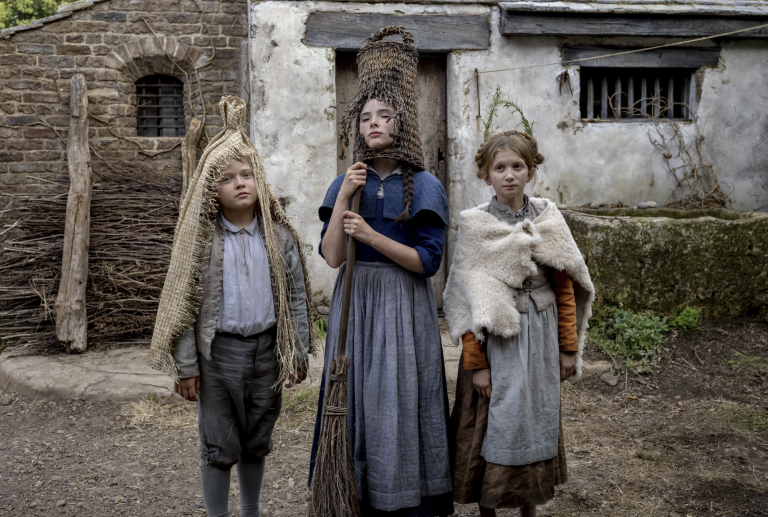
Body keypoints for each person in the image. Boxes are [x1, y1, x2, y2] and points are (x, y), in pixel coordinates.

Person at [147, 96, 319, 517]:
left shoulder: (278, 238)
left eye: (247, 174)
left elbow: (295, 297)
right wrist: (186, 366)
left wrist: (295, 350)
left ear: (259, 179)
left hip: (267, 352)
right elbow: (184, 307)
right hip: (219, 356)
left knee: (257, 438)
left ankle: (251, 510)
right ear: (210, 190)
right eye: (228, 179)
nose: (240, 183)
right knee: (219, 443)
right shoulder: (201, 244)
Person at [309, 26, 454, 517]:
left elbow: (426, 263)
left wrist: (371, 236)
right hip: (355, 304)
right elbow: (331, 258)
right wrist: (346, 196)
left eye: (383, 115)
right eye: (365, 116)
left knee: (399, 400)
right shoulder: (345, 181)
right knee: (355, 402)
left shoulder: (426, 186)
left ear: (402, 122)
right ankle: (354, 493)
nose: (373, 123)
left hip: (401, 303)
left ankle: (407, 499)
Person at [444, 130, 595, 517]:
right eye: (499, 168)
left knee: (534, 418)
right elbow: (464, 298)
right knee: (490, 421)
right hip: (496, 344)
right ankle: (489, 509)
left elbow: (564, 286)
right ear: (485, 174)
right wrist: (477, 365)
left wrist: (568, 347)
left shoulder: (547, 218)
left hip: (540, 339)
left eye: (517, 166)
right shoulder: (476, 227)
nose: (508, 175)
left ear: (530, 172)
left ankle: (529, 508)